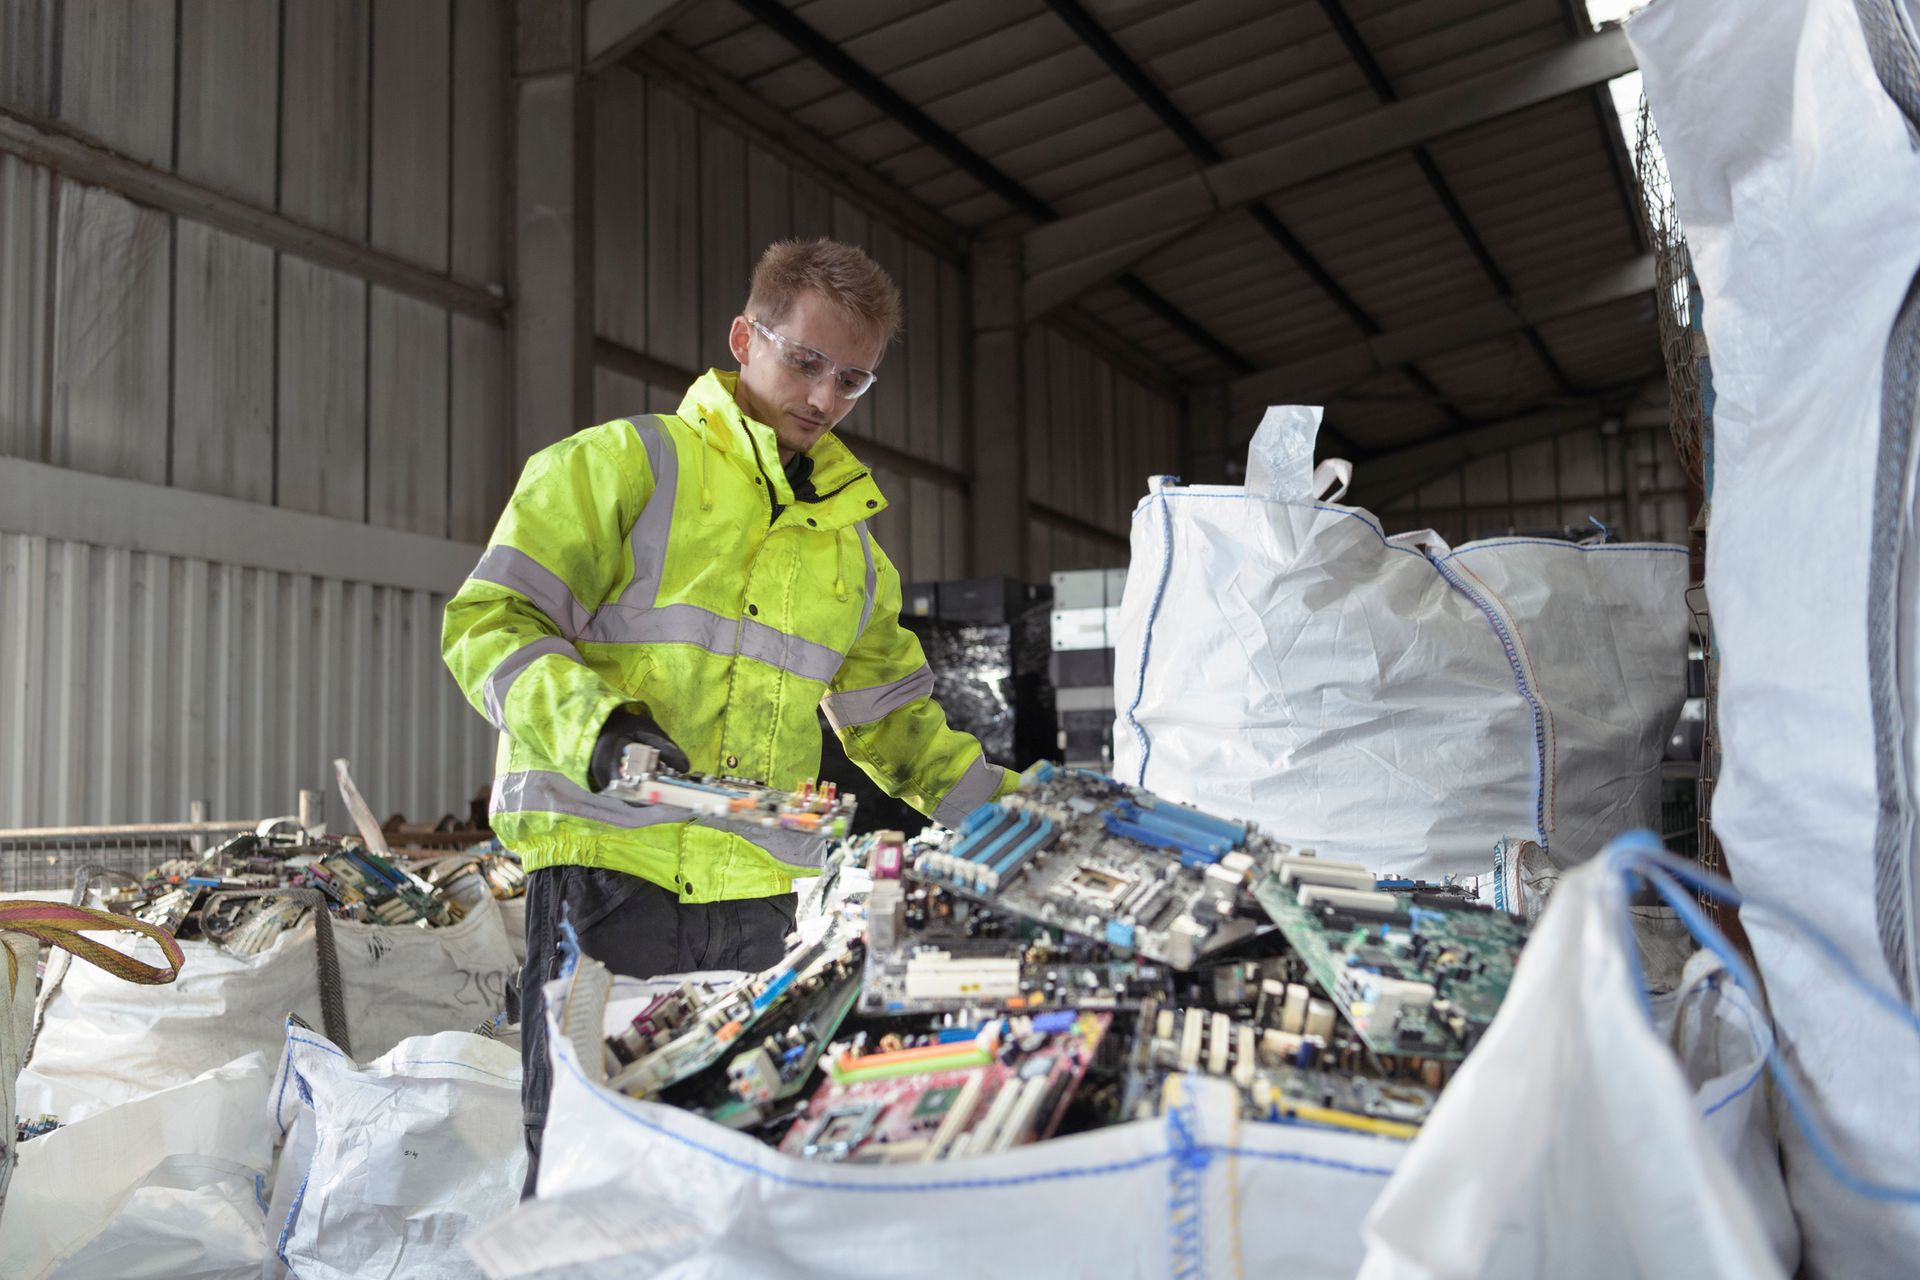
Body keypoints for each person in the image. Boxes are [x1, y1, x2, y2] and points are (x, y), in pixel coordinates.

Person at [441, 238, 1017, 1194]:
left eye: (853, 380)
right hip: (606, 874)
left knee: (740, 1163)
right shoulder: (620, 466)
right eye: (805, 362)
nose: (826, 399)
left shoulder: (854, 555)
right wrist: (599, 728)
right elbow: (490, 621)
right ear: (745, 338)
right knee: (590, 1158)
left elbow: (897, 724)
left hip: (759, 901)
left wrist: (1016, 818)